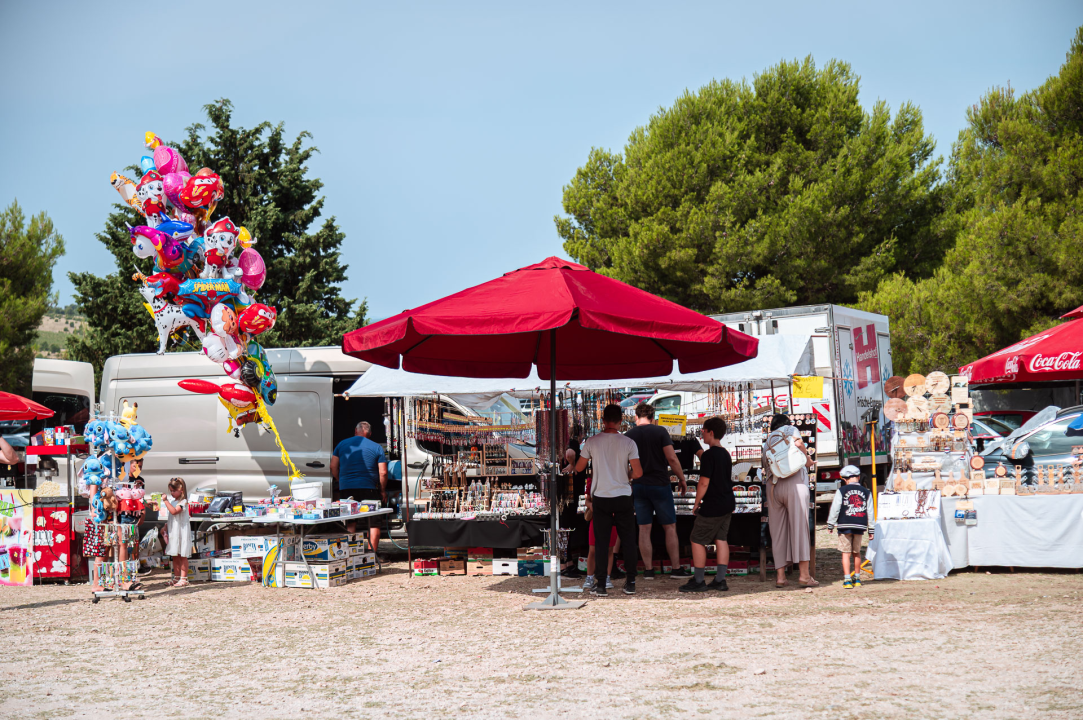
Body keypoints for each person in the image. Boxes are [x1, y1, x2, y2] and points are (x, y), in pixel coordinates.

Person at [575, 403, 642, 596]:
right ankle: (630, 582)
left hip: (601, 497)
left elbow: (579, 468)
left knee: (602, 543)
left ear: (602, 421)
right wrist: (626, 474)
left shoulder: (592, 442)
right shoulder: (628, 442)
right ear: (621, 422)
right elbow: (638, 472)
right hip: (623, 496)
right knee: (628, 540)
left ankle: (602, 584)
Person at [626, 403, 693, 580]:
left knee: (644, 528)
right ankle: (676, 568)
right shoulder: (660, 431)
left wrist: (629, 476)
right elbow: (672, 458)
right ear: (653, 418)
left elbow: (623, 463)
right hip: (660, 484)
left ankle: (648, 570)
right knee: (670, 527)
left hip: (639, 485)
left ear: (635, 417)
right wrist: (681, 478)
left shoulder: (629, 435)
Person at [762, 414, 818, 588]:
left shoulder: (768, 440)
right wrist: (808, 460)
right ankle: (804, 575)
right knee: (799, 527)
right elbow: (799, 443)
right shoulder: (790, 430)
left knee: (777, 531)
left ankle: (780, 577)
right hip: (795, 482)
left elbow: (765, 463)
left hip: (773, 485)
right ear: (787, 424)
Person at [680, 417, 734, 593]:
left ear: (711, 432)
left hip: (713, 505)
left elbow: (703, 482)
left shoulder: (709, 455)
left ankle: (699, 580)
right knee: (721, 539)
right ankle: (720, 579)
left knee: (697, 539)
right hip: (727, 502)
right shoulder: (725, 453)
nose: (701, 433)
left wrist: (696, 503)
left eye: (703, 430)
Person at [331, 421, 388, 552]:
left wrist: (341, 480)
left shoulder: (342, 444)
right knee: (373, 523)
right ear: (370, 434)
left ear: (355, 431)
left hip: (347, 488)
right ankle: (371, 555)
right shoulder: (376, 447)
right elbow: (383, 472)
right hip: (369, 488)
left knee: (351, 522)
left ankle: (350, 554)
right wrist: (383, 490)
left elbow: (333, 466)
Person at [827, 465, 873, 589]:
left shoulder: (841, 491)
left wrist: (831, 523)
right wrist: (871, 529)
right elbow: (870, 511)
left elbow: (835, 508)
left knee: (845, 553)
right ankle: (857, 578)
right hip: (859, 525)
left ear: (845, 479)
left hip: (844, 525)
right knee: (856, 553)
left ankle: (847, 579)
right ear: (858, 477)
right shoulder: (867, 492)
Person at [581, 475, 619, 591]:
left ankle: (607, 577)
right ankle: (590, 577)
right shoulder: (592, 480)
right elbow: (586, 500)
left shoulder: (616, 478)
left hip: (611, 516)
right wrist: (591, 505)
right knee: (592, 549)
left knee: (609, 549)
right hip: (596, 517)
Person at [161, 477, 191, 588]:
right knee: (175, 555)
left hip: (181, 531)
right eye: (171, 491)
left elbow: (174, 512)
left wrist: (165, 501)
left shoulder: (183, 502)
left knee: (182, 554)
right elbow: (171, 516)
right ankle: (176, 577)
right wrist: (166, 526)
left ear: (181, 490)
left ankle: (184, 578)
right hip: (174, 530)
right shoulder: (173, 501)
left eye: (174, 491)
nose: (172, 493)